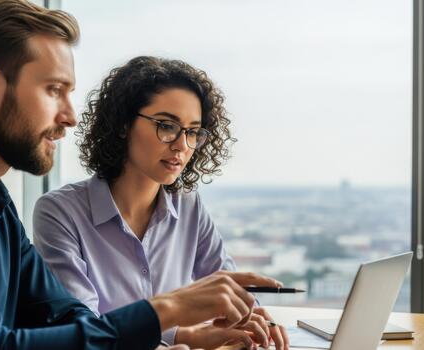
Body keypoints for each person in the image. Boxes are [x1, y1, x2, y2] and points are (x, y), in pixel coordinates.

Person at [0, 1, 282, 349]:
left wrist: (169, 337)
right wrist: (165, 309)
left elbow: (67, 317)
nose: (70, 116)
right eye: (53, 90)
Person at [33, 56, 289, 350]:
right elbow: (83, 332)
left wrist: (252, 321)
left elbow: (228, 289)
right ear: (123, 124)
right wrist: (180, 335)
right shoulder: (60, 212)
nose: (182, 144)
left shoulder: (189, 207)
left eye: (193, 131)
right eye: (167, 125)